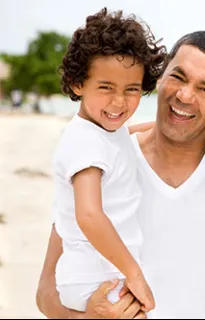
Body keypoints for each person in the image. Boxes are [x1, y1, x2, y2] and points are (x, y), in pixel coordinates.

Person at [36, 29, 205, 319]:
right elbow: (46, 290)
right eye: (178, 77)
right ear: (159, 78)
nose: (185, 96)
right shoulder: (101, 165)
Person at [51, 7, 166, 313]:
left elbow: (123, 137)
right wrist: (134, 273)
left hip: (101, 268)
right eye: (106, 88)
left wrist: (165, 129)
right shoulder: (84, 141)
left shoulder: (100, 133)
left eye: (132, 90)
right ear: (78, 84)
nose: (119, 101)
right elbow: (89, 214)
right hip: (97, 273)